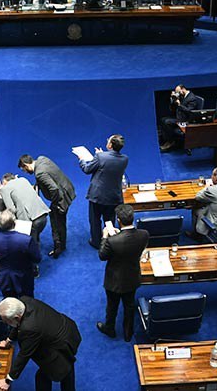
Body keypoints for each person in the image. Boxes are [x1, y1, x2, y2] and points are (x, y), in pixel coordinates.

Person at [0, 296, 81, 391]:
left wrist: (7, 380)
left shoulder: (29, 328)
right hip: (65, 329)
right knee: (63, 369)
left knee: (52, 374)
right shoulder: (23, 301)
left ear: (17, 317)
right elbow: (17, 324)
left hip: (60, 345)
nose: (5, 323)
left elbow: (24, 354)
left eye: (6, 321)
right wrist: (8, 341)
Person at [96, 204, 149, 342]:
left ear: (118, 220)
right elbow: (129, 243)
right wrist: (119, 234)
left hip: (114, 280)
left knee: (112, 306)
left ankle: (110, 328)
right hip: (132, 277)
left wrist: (104, 237)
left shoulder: (112, 241)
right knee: (129, 305)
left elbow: (102, 255)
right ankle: (128, 333)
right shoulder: (144, 234)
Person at [18, 154, 75, 258]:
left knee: (56, 222)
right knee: (60, 221)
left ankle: (58, 248)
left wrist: (54, 204)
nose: (25, 172)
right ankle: (62, 244)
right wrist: (37, 185)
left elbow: (54, 189)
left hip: (61, 198)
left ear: (26, 165)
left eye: (24, 169)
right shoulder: (41, 159)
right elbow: (46, 175)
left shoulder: (39, 173)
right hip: (67, 188)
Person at [81, 134, 129, 249]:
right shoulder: (125, 159)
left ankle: (96, 242)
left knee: (95, 220)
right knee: (110, 219)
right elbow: (109, 163)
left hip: (97, 195)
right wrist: (101, 155)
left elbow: (87, 169)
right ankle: (110, 240)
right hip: (114, 196)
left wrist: (82, 160)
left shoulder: (101, 157)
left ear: (110, 145)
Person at [0, 209, 42, 298]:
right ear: (14, 222)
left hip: (5, 278)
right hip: (24, 278)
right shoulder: (26, 240)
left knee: (9, 305)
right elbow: (37, 258)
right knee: (28, 301)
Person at [0, 173, 51, 244]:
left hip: (30, 221)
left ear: (4, 182)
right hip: (43, 214)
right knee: (35, 236)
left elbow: (11, 209)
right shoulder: (23, 179)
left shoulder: (4, 189)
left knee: (31, 244)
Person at [160, 84, 202, 152]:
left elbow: (189, 111)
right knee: (163, 119)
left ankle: (171, 141)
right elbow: (172, 109)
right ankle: (168, 140)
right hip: (180, 116)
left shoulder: (192, 98)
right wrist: (172, 100)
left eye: (178, 92)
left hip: (186, 119)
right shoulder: (182, 96)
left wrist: (179, 105)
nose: (178, 94)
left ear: (183, 89)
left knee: (167, 122)